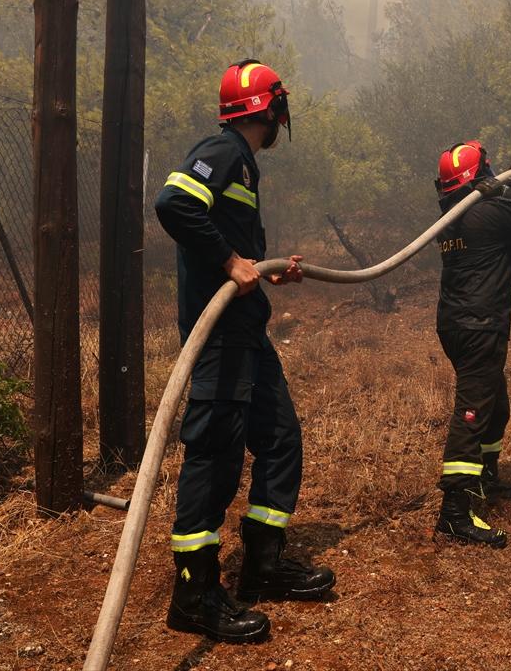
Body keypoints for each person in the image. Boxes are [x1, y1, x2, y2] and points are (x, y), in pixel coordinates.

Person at [154, 59, 334, 643]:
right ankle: (194, 593)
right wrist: (231, 263)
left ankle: (263, 564)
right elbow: (173, 205)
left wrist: (258, 268)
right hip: (221, 340)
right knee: (214, 456)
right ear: (270, 108)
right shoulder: (224, 149)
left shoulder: (242, 164)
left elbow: (222, 237)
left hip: (245, 331)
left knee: (280, 437)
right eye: (281, 105)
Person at [432, 141, 511, 548]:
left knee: (494, 405)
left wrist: (507, 188)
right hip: (479, 326)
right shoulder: (485, 210)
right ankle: (455, 513)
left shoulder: (452, 215)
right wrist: (510, 189)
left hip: (457, 324)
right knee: (471, 412)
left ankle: (486, 478)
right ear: (481, 176)